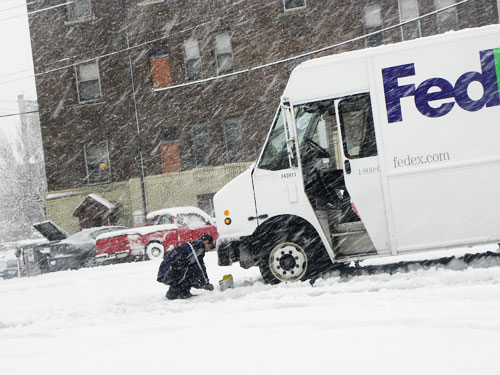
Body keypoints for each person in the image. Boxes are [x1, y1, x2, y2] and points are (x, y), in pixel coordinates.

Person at [157, 233, 215, 300]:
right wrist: (205, 283)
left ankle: (184, 292)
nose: (208, 250)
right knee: (189, 270)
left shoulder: (197, 248)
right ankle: (173, 293)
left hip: (168, 271)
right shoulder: (197, 246)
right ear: (206, 242)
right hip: (166, 272)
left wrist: (204, 282)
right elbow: (198, 266)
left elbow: (201, 266)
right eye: (210, 247)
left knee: (190, 270)